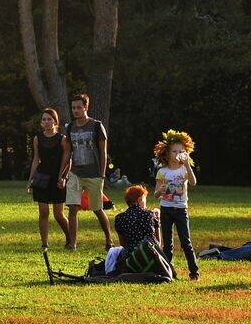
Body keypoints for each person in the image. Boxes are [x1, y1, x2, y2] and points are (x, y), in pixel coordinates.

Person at [63, 93, 113, 252]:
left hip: (94, 174)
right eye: (73, 108)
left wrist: (102, 174)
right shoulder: (70, 127)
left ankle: (109, 240)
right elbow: (67, 151)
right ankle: (72, 243)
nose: (75, 110)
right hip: (75, 173)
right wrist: (62, 172)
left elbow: (103, 151)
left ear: (86, 107)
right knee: (73, 208)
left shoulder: (96, 126)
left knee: (97, 209)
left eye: (79, 107)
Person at [154, 130, 199, 280]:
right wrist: (161, 190)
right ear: (167, 153)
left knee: (186, 242)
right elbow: (155, 194)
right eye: (174, 151)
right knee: (168, 244)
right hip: (166, 209)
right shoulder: (162, 171)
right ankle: (168, 272)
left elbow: (193, 182)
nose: (177, 154)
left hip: (181, 210)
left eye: (181, 151)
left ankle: (194, 272)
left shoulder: (184, 169)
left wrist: (187, 165)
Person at [26, 108, 70, 252]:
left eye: (49, 119)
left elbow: (68, 160)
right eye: (44, 119)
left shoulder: (62, 139)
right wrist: (30, 181)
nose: (46, 122)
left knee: (58, 214)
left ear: (55, 122)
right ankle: (44, 244)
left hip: (57, 178)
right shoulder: (37, 139)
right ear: (41, 122)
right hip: (41, 178)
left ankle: (70, 238)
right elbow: (35, 160)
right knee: (43, 212)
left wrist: (63, 177)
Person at [113, 185, 161, 251]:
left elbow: (123, 245)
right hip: (149, 254)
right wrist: (157, 220)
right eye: (145, 199)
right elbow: (158, 243)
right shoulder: (150, 215)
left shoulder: (119, 218)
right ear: (140, 200)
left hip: (130, 255)